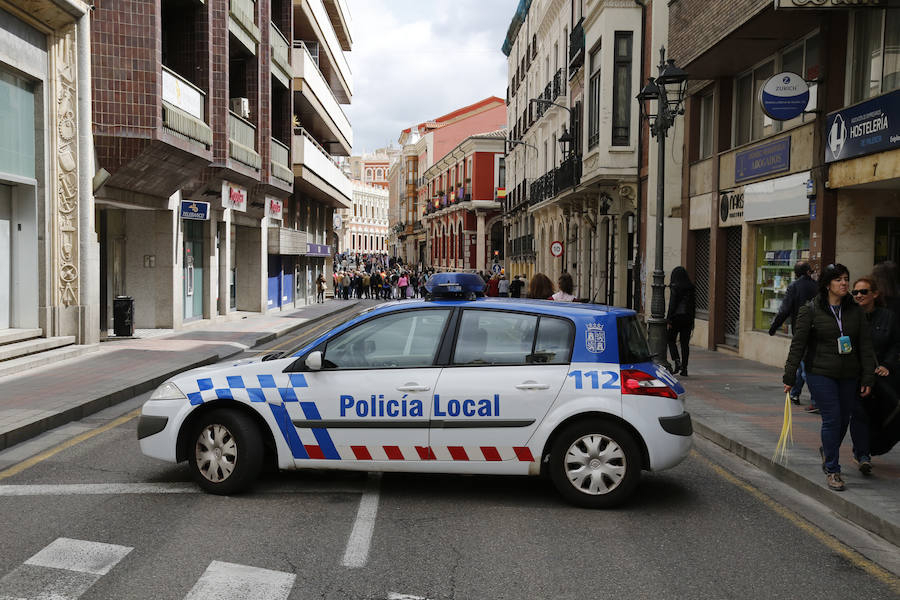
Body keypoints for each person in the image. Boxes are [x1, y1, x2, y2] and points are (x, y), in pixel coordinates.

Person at [782, 263, 876, 491]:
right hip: (820, 373)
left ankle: (828, 448)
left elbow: (865, 345)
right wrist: (790, 374)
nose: (844, 284)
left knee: (844, 419)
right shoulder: (811, 310)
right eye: (838, 280)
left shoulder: (855, 311)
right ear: (827, 285)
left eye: (846, 279)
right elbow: (798, 345)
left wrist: (867, 378)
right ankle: (833, 469)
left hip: (849, 374)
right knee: (833, 418)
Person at [852, 276, 900, 458]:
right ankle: (862, 453)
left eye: (863, 292)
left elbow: (896, 344)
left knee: (885, 410)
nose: (859, 295)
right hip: (858, 375)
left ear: (875, 294)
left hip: (881, 375)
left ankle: (874, 446)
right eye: (855, 292)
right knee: (860, 414)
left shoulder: (888, 317)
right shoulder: (849, 316)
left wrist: (887, 365)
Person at [768, 261, 819, 407]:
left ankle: (815, 400)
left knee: (803, 365)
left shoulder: (794, 286)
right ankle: (795, 393)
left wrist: (774, 327)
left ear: (796, 273)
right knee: (802, 363)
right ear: (808, 272)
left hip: (800, 330)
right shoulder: (816, 286)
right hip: (816, 329)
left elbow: (784, 310)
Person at [666, 266, 696, 376]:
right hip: (688, 318)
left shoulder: (675, 287)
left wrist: (668, 319)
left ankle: (677, 361)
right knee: (685, 344)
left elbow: (672, 304)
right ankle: (685, 368)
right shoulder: (691, 287)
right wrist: (692, 320)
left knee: (670, 339)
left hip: (676, 318)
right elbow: (693, 306)